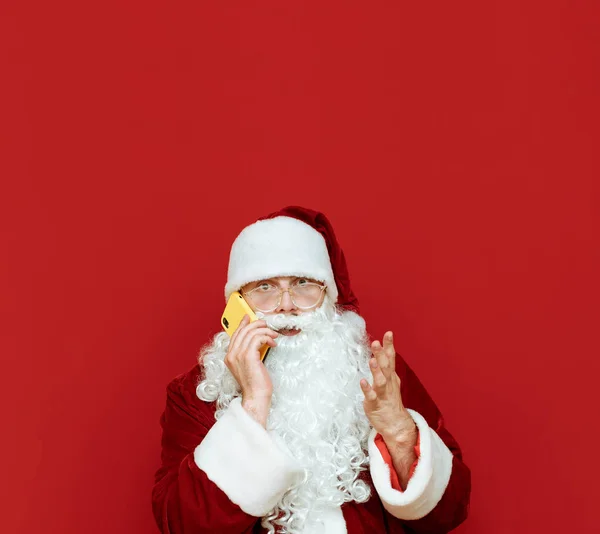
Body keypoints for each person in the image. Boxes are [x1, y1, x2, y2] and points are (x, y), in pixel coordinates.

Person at [152, 206, 471, 534]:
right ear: (238, 301)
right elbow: (183, 525)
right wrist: (252, 407)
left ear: (328, 296)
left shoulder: (378, 373)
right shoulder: (195, 394)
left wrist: (400, 432)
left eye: (303, 283)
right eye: (265, 287)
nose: (287, 304)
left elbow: (450, 511)